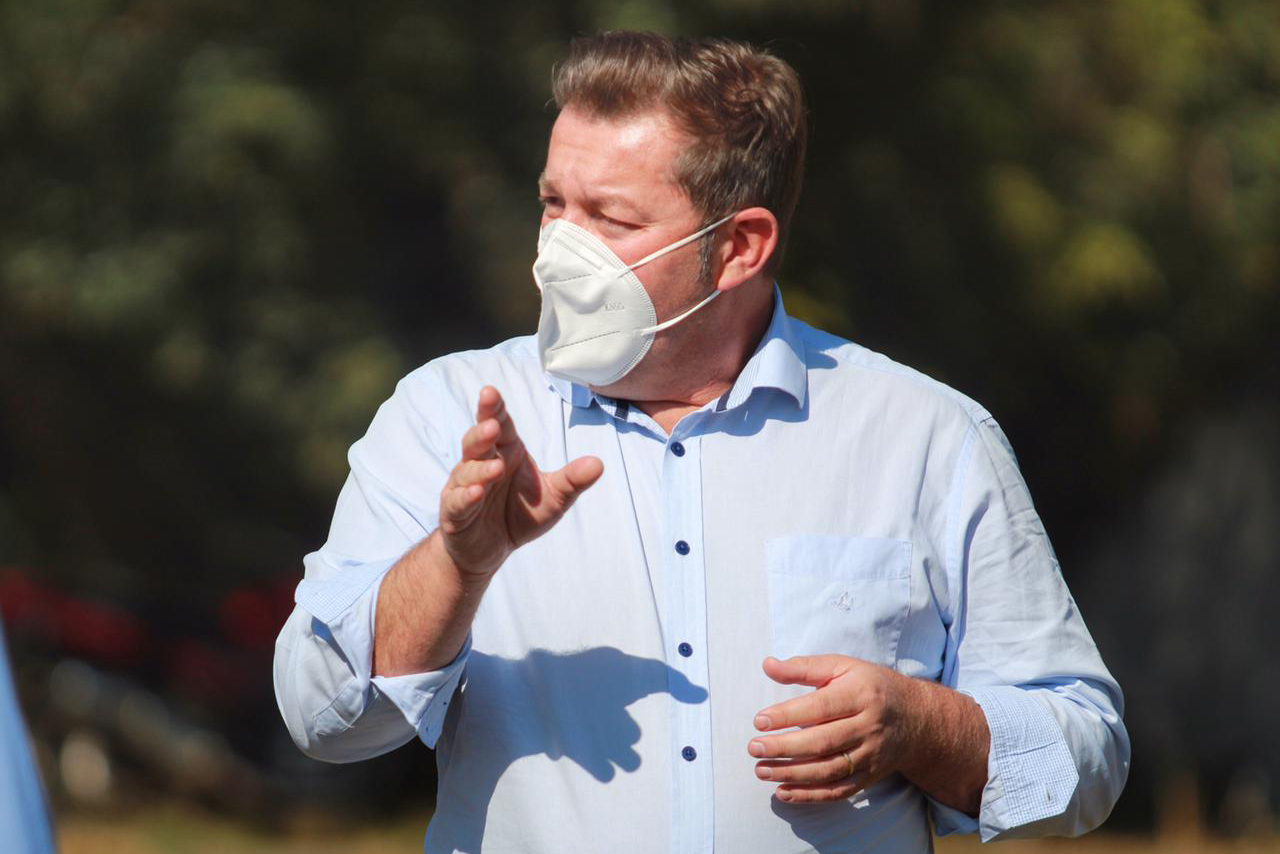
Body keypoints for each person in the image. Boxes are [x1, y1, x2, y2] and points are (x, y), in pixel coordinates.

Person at [274, 32, 1128, 853]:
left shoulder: (926, 436)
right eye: (553, 204)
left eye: (610, 219)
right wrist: (458, 564)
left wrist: (917, 725)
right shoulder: (448, 415)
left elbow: (1087, 758)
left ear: (739, 247)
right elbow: (321, 718)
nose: (559, 253)